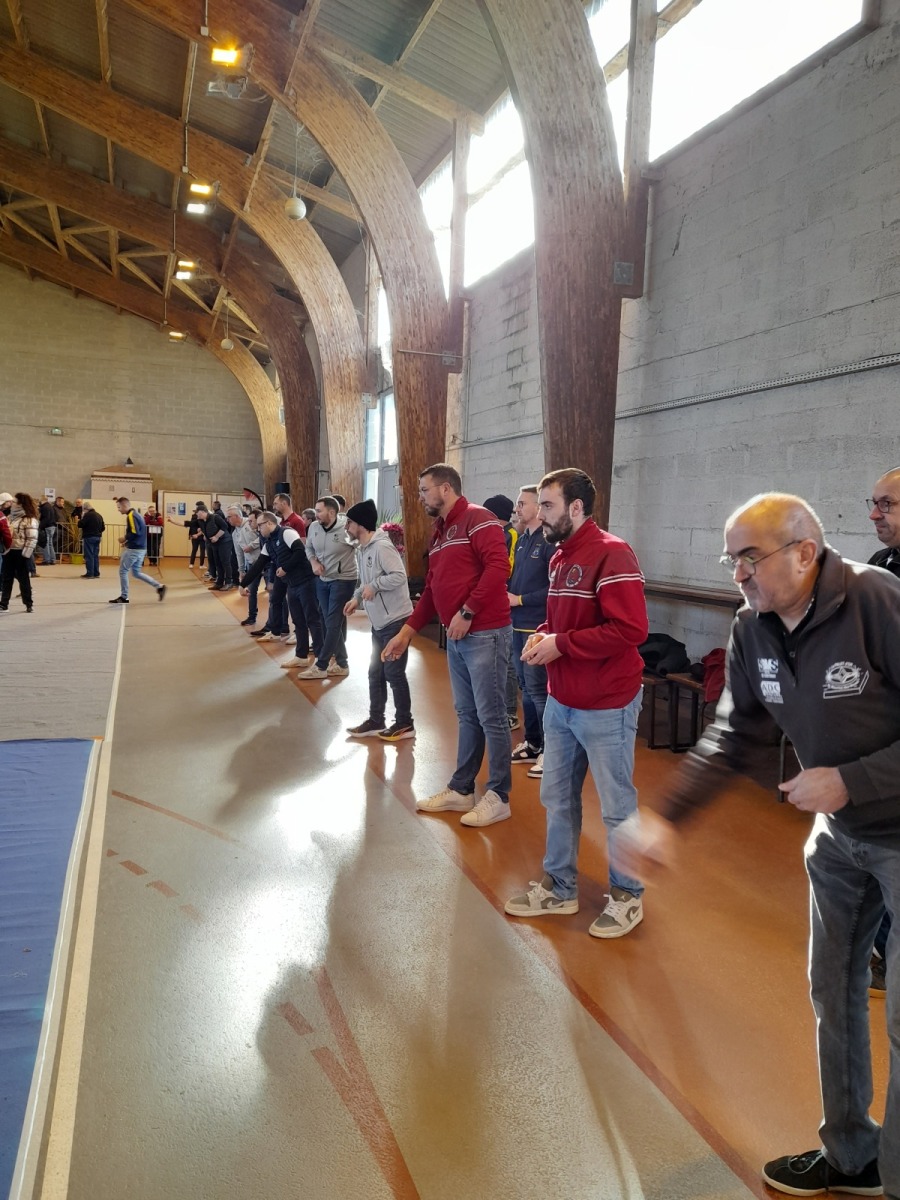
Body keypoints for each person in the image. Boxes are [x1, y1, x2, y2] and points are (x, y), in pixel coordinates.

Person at [621, 492, 900, 1198]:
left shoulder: (877, 602)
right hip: (839, 841)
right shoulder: (753, 627)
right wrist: (668, 818)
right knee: (833, 993)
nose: (739, 573)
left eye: (750, 557)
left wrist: (853, 780)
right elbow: (735, 732)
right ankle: (853, 1157)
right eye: (732, 560)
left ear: (805, 552)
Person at [503, 469, 648, 936]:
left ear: (577, 507)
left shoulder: (612, 553)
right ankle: (560, 887)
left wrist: (561, 644)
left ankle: (628, 896)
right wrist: (545, 634)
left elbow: (631, 630)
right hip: (562, 701)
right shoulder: (560, 554)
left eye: (548, 505)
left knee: (616, 805)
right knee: (558, 797)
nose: (539, 514)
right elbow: (562, 619)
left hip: (607, 703)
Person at [382, 463, 513, 828]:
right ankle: (462, 788)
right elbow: (432, 589)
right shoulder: (440, 531)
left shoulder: (478, 518)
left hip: (484, 632)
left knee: (492, 716)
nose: (420, 497)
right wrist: (406, 632)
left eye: (424, 490)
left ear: (445, 488)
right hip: (458, 637)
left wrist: (468, 611)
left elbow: (498, 568)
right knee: (467, 714)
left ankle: (499, 796)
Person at [864, 468, 900, 996]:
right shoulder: (881, 564)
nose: (874, 513)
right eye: (872, 503)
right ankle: (879, 947)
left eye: (886, 504)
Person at [342, 499, 415, 742]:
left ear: (361, 524)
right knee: (375, 673)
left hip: (395, 619)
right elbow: (364, 582)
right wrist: (356, 598)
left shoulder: (382, 547)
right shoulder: (363, 549)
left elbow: (399, 576)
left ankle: (405, 723)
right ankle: (376, 720)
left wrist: (374, 586)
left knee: (393, 673)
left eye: (349, 522)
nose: (346, 526)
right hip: (379, 622)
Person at [507, 486, 554, 778]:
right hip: (517, 623)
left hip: (536, 626)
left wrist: (521, 599)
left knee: (538, 690)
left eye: (522, 503)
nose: (517, 508)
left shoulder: (548, 542)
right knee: (525, 687)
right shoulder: (523, 539)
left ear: (538, 507)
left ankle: (550, 750)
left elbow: (553, 589)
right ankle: (533, 743)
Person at [241, 512, 323, 665]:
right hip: (291, 584)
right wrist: (242, 584)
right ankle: (301, 656)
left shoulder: (287, 533)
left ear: (269, 523)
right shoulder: (268, 543)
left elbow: (300, 551)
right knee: (298, 620)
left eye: (260, 525)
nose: (258, 529)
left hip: (306, 581)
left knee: (312, 619)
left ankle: (321, 661)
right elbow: (258, 565)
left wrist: (285, 568)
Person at [303, 495, 358, 679]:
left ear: (332, 512)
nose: (316, 514)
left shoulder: (347, 528)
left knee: (333, 622)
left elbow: (362, 545)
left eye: (319, 511)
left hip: (343, 580)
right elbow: (309, 548)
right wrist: (313, 562)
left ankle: (321, 666)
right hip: (322, 580)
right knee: (329, 622)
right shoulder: (314, 527)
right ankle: (342, 664)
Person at [483, 494, 521, 730]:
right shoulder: (495, 534)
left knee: (508, 662)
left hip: (509, 604)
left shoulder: (511, 535)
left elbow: (506, 569)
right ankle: (497, 707)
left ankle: (510, 712)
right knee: (497, 660)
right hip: (494, 604)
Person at [109, 497, 166, 604]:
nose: (118, 510)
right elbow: (137, 532)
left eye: (119, 507)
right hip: (141, 548)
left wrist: (124, 538)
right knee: (136, 573)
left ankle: (124, 597)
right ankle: (159, 586)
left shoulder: (131, 516)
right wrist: (127, 542)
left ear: (125, 506)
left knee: (123, 571)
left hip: (134, 549)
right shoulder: (137, 515)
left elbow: (135, 532)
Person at [0, 492, 39, 612]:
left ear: (21, 504)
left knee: (23, 579)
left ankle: (28, 604)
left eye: (15, 502)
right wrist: (5, 549)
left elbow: (32, 539)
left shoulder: (29, 519)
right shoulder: (10, 517)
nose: (12, 503)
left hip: (21, 552)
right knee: (7, 578)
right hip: (9, 551)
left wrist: (25, 554)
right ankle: (4, 604)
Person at [230, 507, 262, 626]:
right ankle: (252, 617)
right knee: (251, 591)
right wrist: (241, 570)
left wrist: (252, 546)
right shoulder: (235, 534)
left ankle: (279, 623)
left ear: (237, 516)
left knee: (274, 593)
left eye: (229, 517)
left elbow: (264, 538)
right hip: (251, 564)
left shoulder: (252, 523)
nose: (227, 519)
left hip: (265, 562)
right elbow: (239, 553)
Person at [197, 503, 233, 591]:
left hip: (224, 541)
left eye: (198, 513)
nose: (197, 515)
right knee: (217, 563)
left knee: (225, 562)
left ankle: (229, 582)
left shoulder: (215, 517)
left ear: (203, 512)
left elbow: (225, 526)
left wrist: (216, 536)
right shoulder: (202, 521)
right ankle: (219, 583)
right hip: (214, 543)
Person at [79, 501, 105, 578]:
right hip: (98, 537)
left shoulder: (87, 515)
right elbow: (103, 528)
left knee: (89, 555)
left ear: (85, 509)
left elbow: (80, 524)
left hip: (89, 537)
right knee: (95, 556)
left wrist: (82, 517)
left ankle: (90, 573)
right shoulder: (99, 515)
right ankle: (96, 573)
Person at [38, 495, 57, 565]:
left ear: (42, 500)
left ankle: (47, 560)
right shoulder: (50, 506)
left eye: (40, 500)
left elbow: (46, 518)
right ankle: (53, 559)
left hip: (47, 527)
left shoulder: (44, 507)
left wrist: (40, 526)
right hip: (52, 526)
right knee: (50, 544)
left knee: (46, 543)